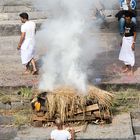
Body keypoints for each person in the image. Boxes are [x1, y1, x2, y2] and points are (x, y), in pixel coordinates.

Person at [119, 11, 136, 75]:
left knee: (131, 53)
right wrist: (122, 40)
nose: (127, 20)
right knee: (124, 53)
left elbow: (135, 34)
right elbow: (125, 32)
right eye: (126, 19)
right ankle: (127, 67)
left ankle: (131, 69)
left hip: (130, 40)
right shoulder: (125, 23)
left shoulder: (133, 24)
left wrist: (133, 43)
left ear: (130, 18)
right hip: (125, 39)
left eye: (128, 19)